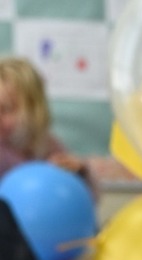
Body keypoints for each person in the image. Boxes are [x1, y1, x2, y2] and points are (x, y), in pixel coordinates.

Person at [0, 56, 95, 190]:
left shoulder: (49, 145)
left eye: (6, 109)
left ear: (33, 110)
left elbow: (86, 199)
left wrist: (80, 173)